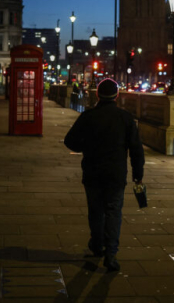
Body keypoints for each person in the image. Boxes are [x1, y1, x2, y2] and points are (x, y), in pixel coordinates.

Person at [64, 78, 144, 272]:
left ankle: (97, 246)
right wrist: (138, 175)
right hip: (116, 174)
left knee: (95, 211)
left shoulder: (88, 116)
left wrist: (86, 147)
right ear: (116, 96)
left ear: (98, 95)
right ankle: (111, 254)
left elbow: (70, 141)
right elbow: (136, 149)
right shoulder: (125, 118)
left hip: (92, 171)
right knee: (113, 211)